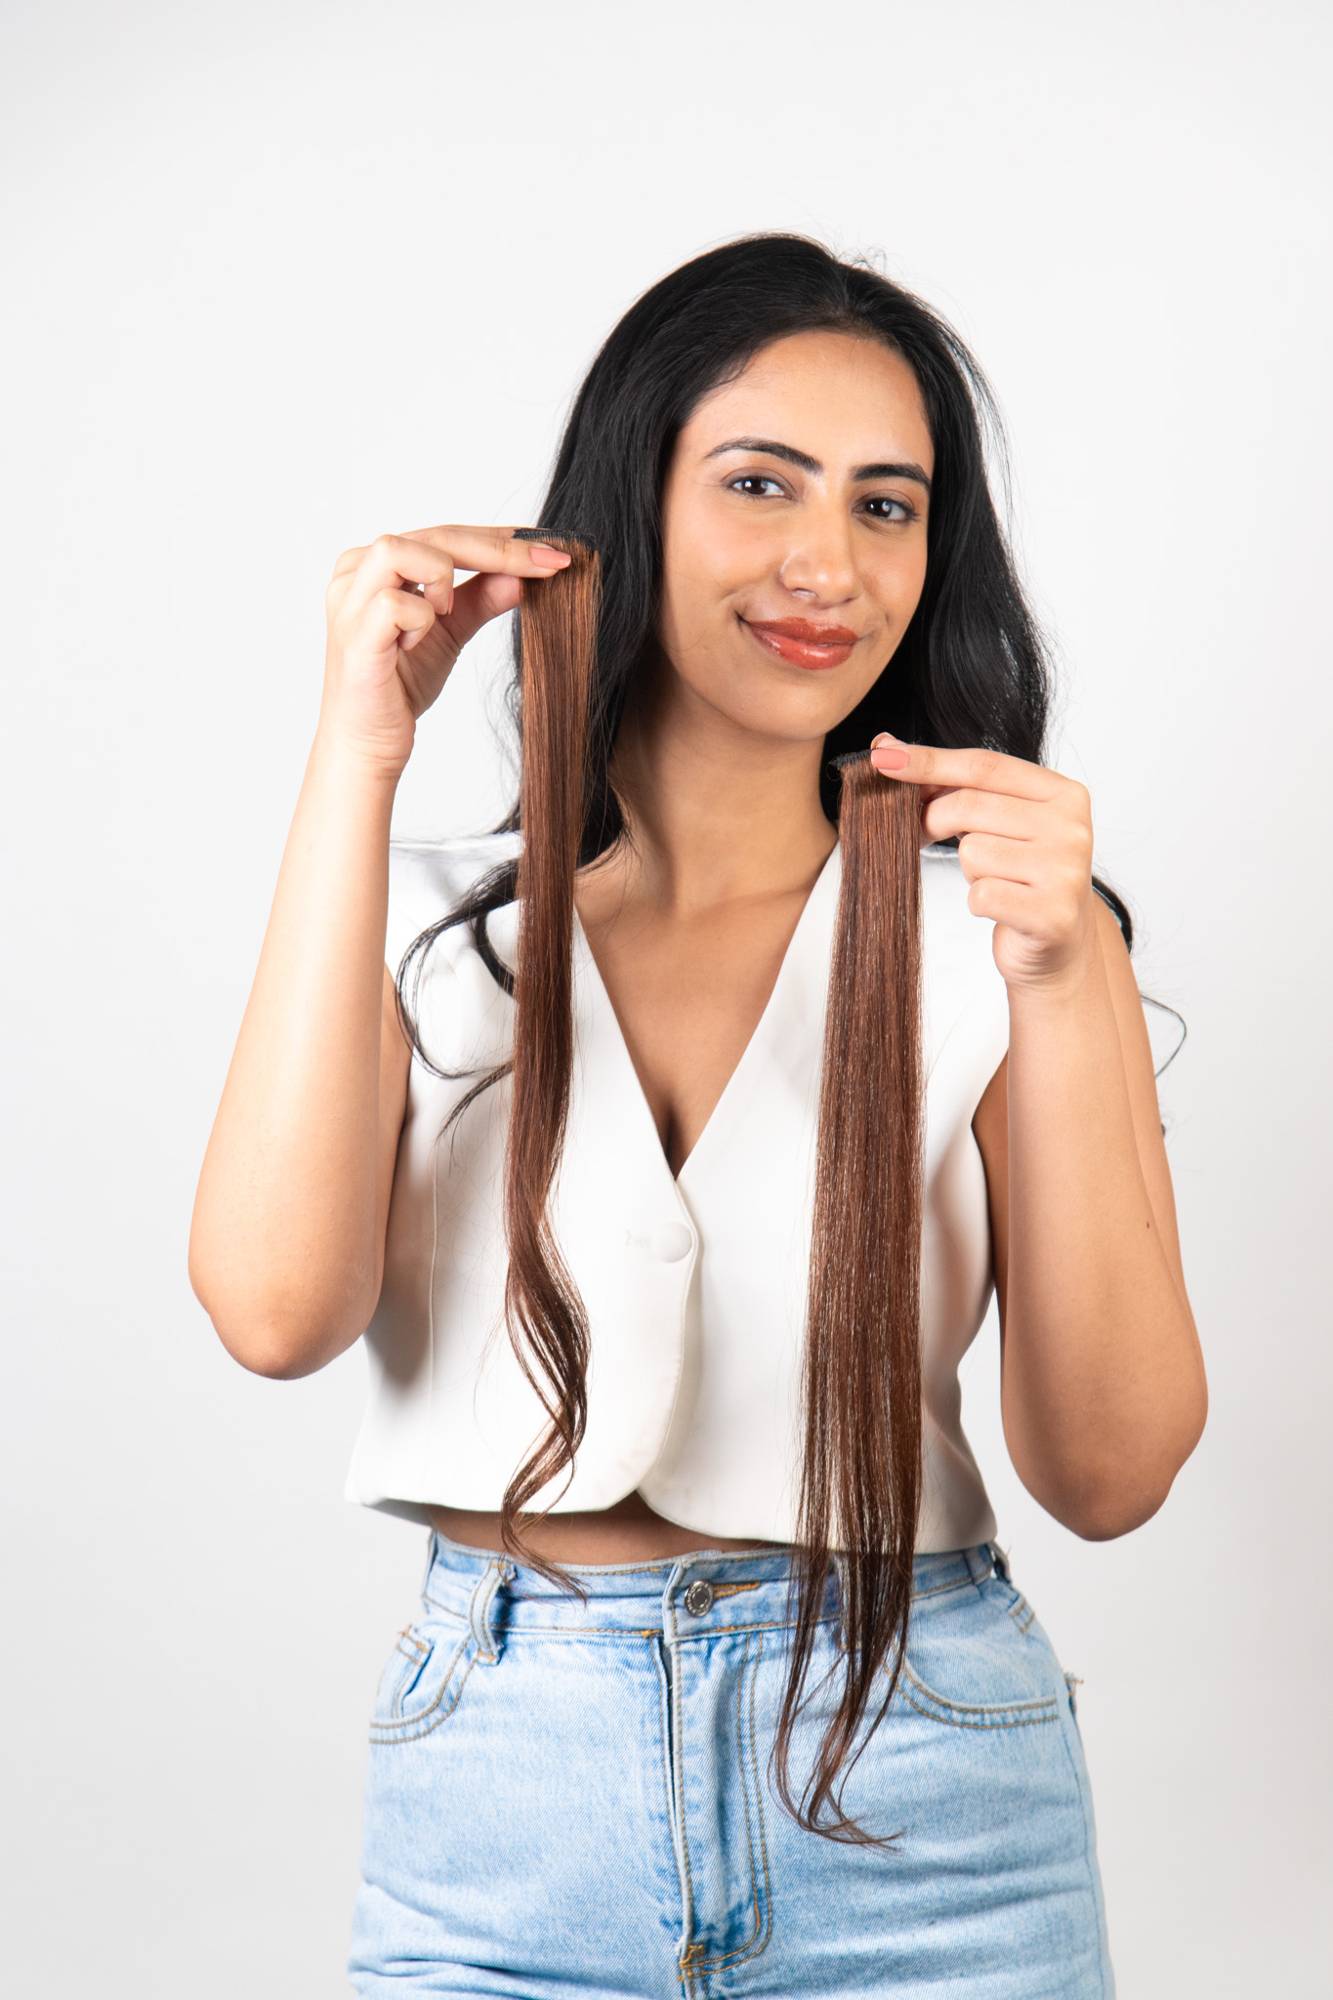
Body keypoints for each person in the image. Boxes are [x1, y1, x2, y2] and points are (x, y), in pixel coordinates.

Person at [189, 233, 1205, 1997]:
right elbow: (274, 1313)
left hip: (921, 1790)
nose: (827, 562)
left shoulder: (1009, 929)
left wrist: (1062, 983)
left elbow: (1109, 1476)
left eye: (888, 508)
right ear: (626, 506)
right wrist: (358, 753)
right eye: (759, 483)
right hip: (507, 1804)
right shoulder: (438, 924)